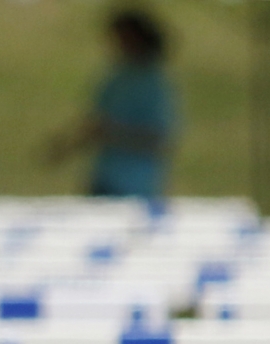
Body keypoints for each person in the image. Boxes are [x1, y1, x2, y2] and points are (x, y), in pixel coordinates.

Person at [46, 9, 178, 201]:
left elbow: (161, 139)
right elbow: (95, 123)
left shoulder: (154, 82)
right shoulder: (116, 77)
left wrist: (115, 134)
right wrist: (66, 147)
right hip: (104, 177)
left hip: (137, 184)